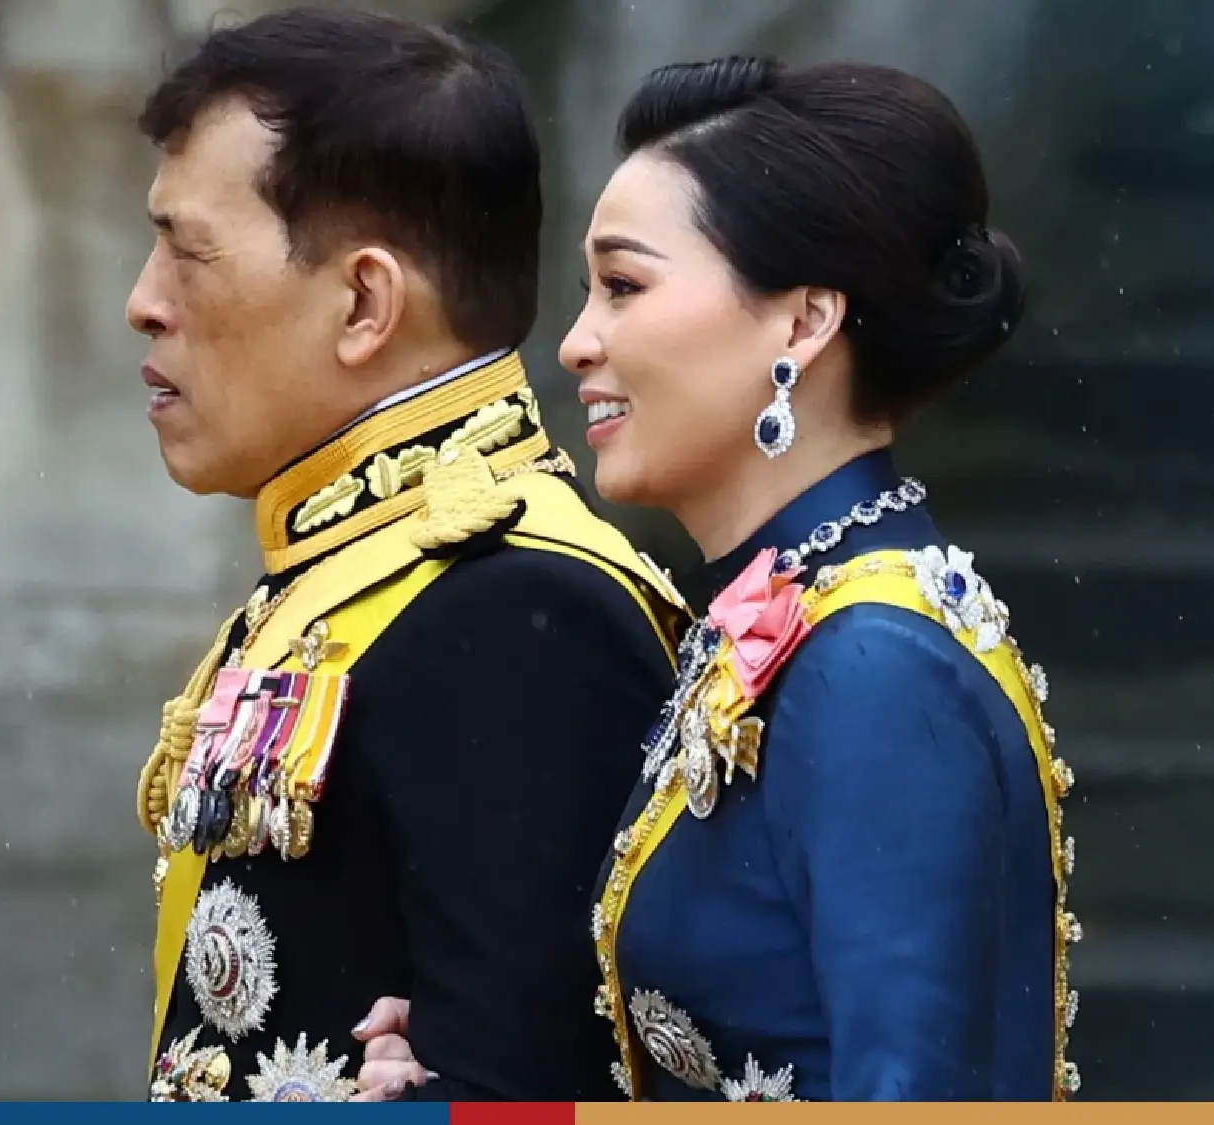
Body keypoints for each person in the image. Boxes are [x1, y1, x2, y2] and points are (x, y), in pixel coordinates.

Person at [353, 56, 1078, 1102]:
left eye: (622, 286)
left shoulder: (871, 662)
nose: (575, 344)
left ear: (801, 323)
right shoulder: (797, 624)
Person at [126, 7, 691, 1104]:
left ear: (363, 302)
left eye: (188, 255)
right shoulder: (358, 563)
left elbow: (522, 1086)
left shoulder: (517, 608)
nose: (143, 304)